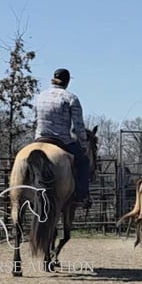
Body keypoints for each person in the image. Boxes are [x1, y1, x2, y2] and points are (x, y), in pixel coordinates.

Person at [34, 68, 90, 203]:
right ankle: (82, 195)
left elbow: (35, 119)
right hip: (61, 140)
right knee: (84, 162)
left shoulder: (40, 96)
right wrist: (83, 144)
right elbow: (78, 126)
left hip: (39, 138)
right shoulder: (70, 98)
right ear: (67, 81)